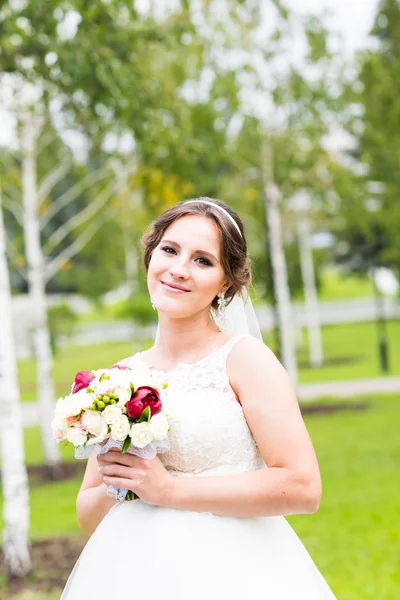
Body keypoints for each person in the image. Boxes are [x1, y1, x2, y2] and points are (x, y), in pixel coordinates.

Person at [60, 197, 336, 599]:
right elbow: (88, 515)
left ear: (226, 282)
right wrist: (125, 476)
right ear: (151, 254)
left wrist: (167, 490)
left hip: (235, 571)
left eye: (203, 260)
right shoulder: (118, 380)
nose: (178, 270)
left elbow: (302, 486)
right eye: (169, 250)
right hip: (131, 574)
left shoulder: (245, 361)